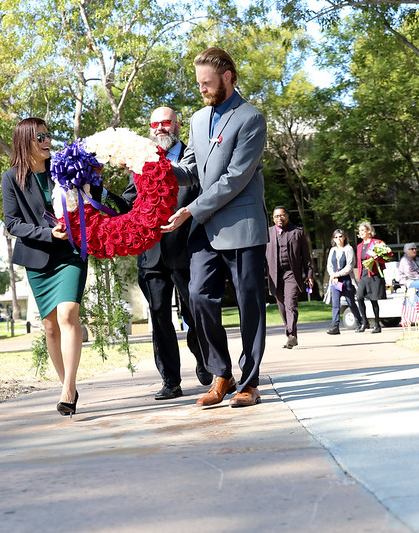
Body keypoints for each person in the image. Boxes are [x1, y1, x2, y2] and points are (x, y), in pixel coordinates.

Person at [163, 47, 268, 408]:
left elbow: (235, 178)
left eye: (207, 83)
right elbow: (190, 169)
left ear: (228, 77)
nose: (202, 90)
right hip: (205, 229)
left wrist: (190, 210)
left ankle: (250, 383)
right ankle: (221, 373)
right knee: (197, 297)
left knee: (249, 305)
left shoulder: (251, 118)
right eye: (199, 84)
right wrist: (154, 168)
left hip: (241, 227)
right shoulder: (196, 119)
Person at [2, 117, 95, 417]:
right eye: (39, 136)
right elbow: (12, 223)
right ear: (25, 141)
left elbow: (87, 198)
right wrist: (46, 233)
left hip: (69, 252)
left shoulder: (63, 169)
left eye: (48, 135)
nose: (46, 140)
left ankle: (68, 389)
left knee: (69, 313)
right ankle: (66, 383)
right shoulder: (11, 178)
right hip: (38, 258)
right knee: (51, 327)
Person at [119, 107, 211, 401]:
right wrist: (97, 195)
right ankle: (170, 380)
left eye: (166, 122)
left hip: (189, 250)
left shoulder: (192, 157)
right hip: (151, 254)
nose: (160, 128)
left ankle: (204, 358)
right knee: (159, 318)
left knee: (194, 311)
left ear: (177, 126)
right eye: (155, 124)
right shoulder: (140, 160)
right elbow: (128, 201)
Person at [265, 206, 314, 349]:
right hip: (275, 275)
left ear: (287, 216)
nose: (279, 218)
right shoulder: (267, 233)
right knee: (282, 307)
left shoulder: (297, 232)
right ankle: (291, 336)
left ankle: (291, 334)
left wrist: (309, 273)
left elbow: (306, 256)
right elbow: (262, 257)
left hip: (292, 274)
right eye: (276, 216)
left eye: (282, 215)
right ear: (272, 219)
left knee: (291, 304)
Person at [325, 229, 362, 335]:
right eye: (336, 237)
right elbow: (329, 266)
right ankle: (335, 326)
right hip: (335, 281)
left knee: (350, 302)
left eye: (340, 236)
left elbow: (350, 266)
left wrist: (338, 274)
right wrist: (333, 275)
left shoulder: (348, 249)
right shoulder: (332, 250)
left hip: (346, 280)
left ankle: (359, 321)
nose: (338, 239)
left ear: (344, 237)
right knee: (335, 304)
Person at [355, 221, 389, 333]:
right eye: (359, 231)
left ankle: (377, 324)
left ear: (369, 231)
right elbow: (359, 262)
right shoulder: (359, 246)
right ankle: (364, 322)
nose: (360, 233)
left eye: (362, 230)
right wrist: (358, 276)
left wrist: (376, 257)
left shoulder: (377, 243)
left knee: (373, 300)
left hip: (373, 274)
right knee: (359, 297)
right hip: (363, 275)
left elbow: (385, 258)